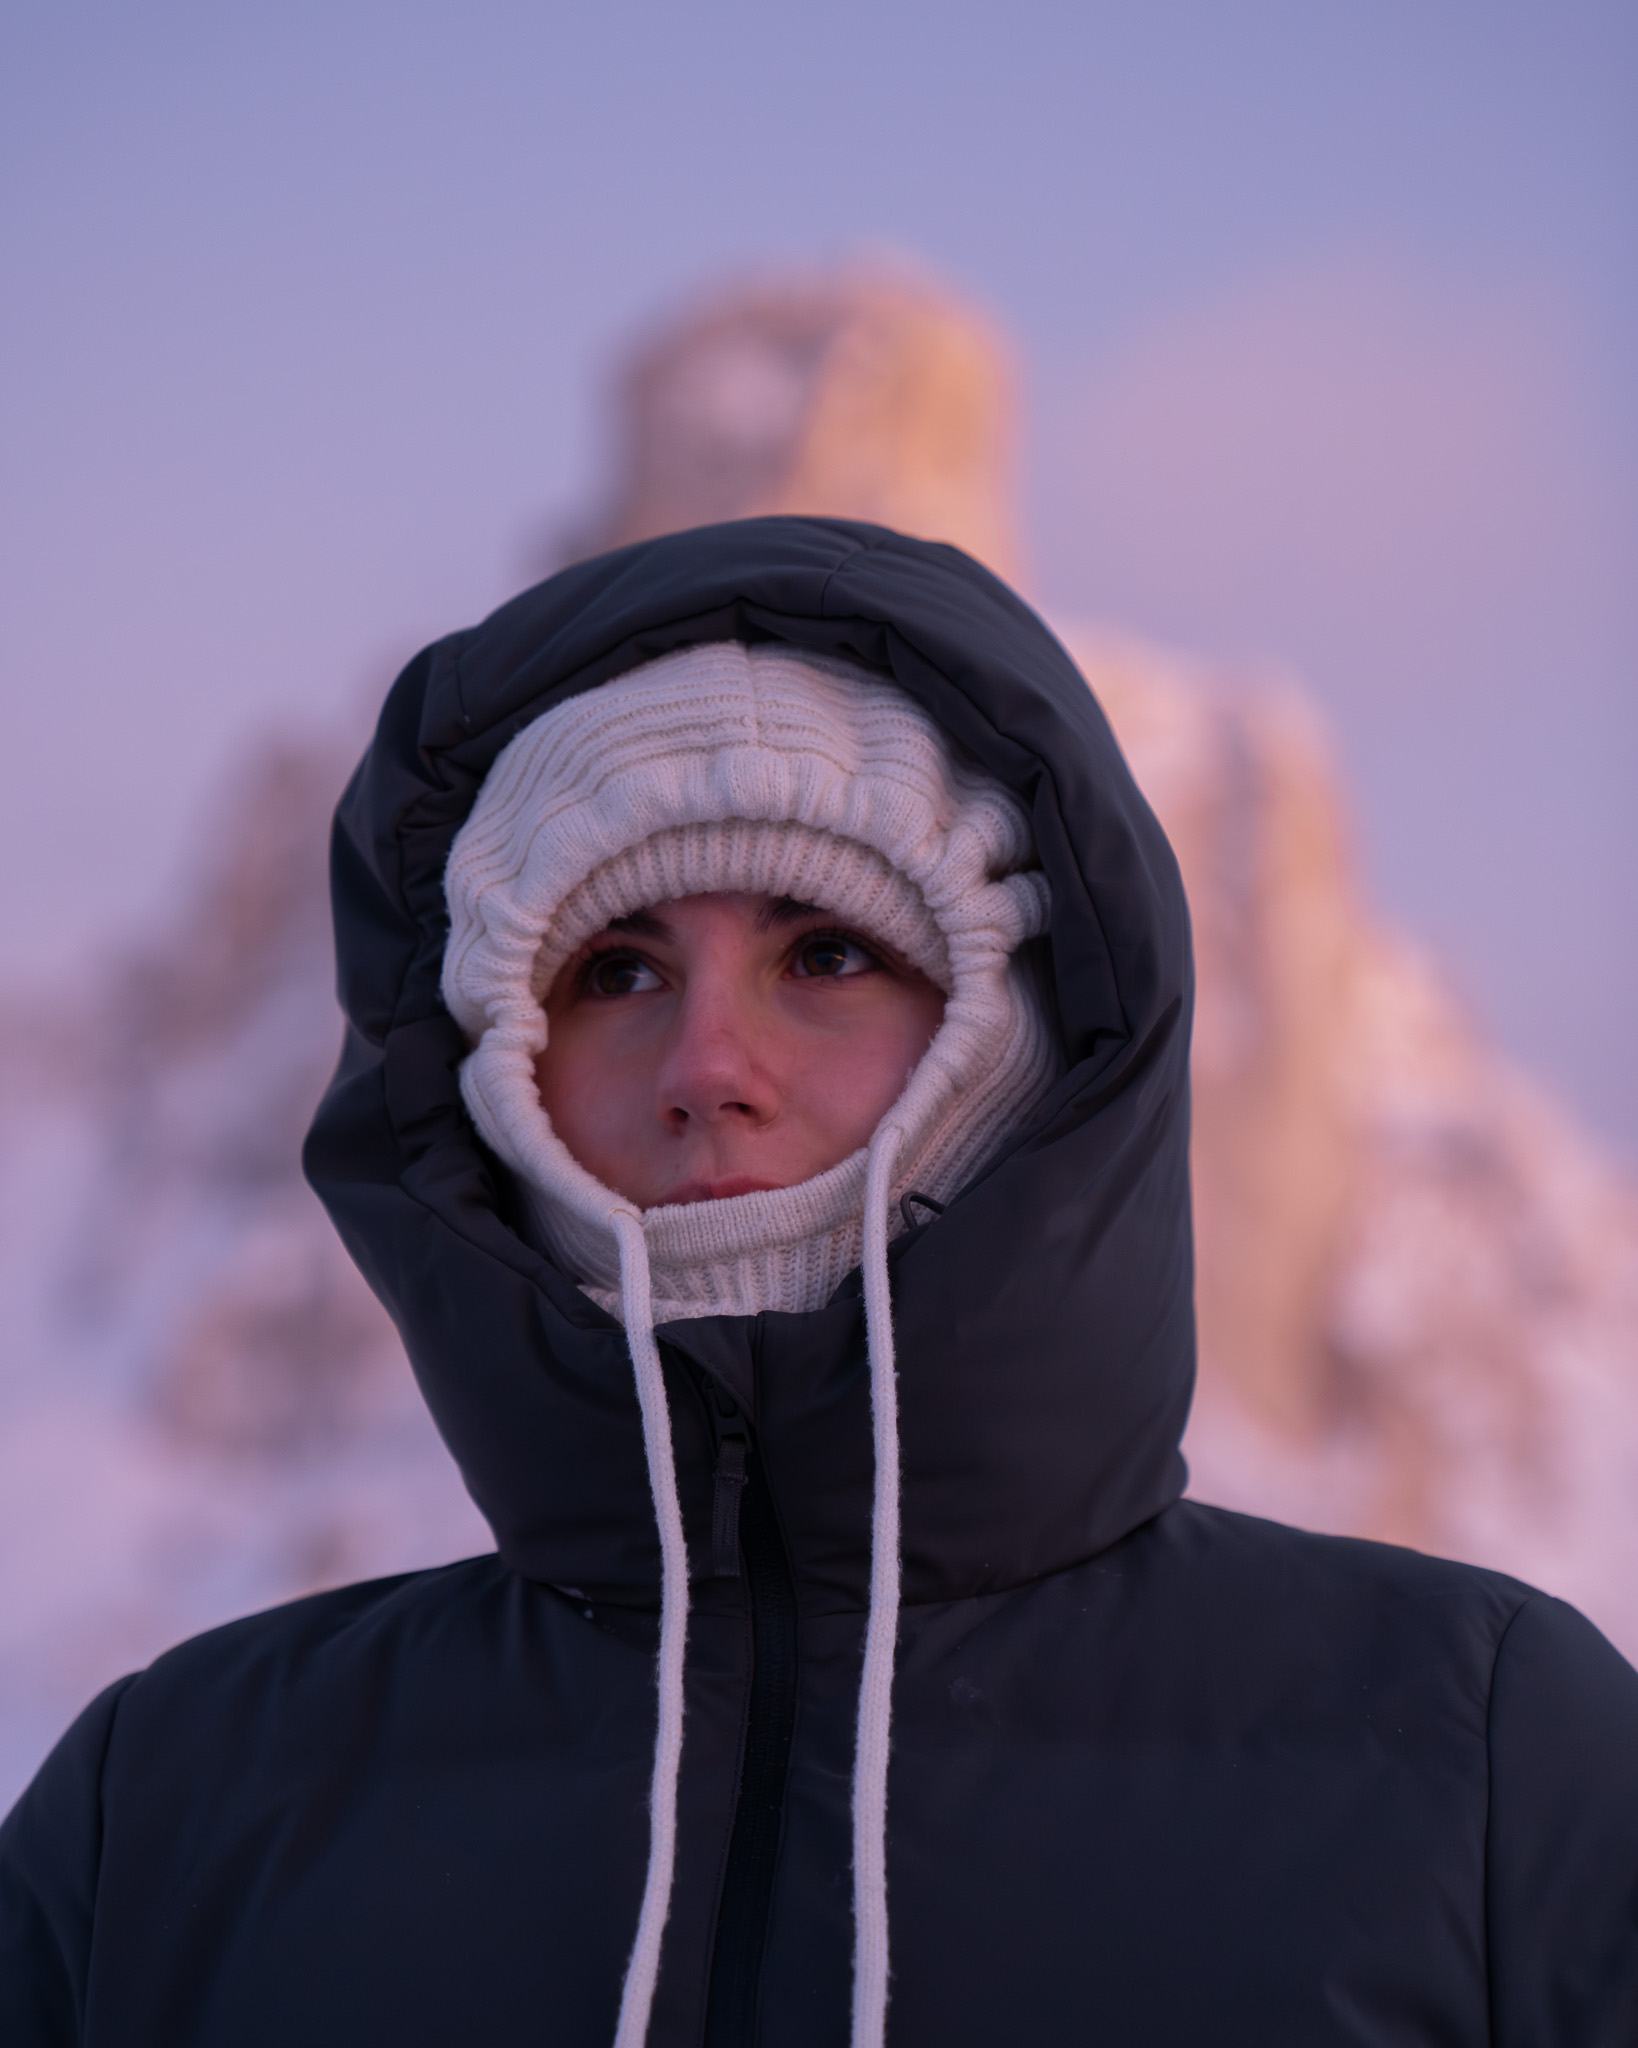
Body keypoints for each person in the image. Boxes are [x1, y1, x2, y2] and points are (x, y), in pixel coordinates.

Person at [2, 517, 1636, 2047]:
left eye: (829, 955)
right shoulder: (162, 1812)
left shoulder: (1485, 1759)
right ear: (482, 1065)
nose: (706, 1066)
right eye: (611, 972)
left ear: (1029, 1034)